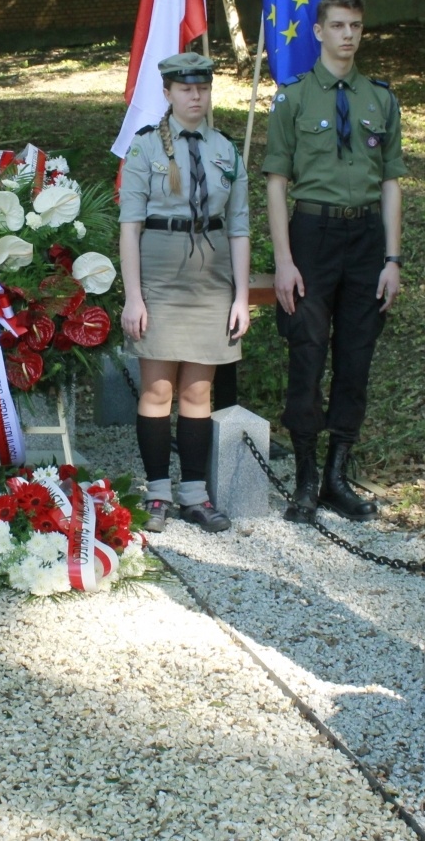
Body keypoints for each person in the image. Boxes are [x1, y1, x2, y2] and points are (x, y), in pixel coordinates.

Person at [261, 0, 405, 523]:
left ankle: (336, 478)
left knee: (355, 360)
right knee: (306, 354)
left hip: (367, 239)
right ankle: (303, 479)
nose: (348, 35)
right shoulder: (293, 98)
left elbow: (391, 182)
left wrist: (393, 258)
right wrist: (283, 260)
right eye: (339, 26)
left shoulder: (380, 99)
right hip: (312, 238)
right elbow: (277, 182)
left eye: (356, 27)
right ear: (319, 31)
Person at [118, 52, 249, 534]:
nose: (196, 96)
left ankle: (194, 493)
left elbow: (238, 226)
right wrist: (134, 297)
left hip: (211, 276)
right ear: (169, 93)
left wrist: (239, 296)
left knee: (198, 391)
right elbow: (129, 228)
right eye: (186, 88)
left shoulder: (226, 150)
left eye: (203, 88)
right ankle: (157, 491)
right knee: (157, 389)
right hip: (159, 272)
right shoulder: (145, 148)